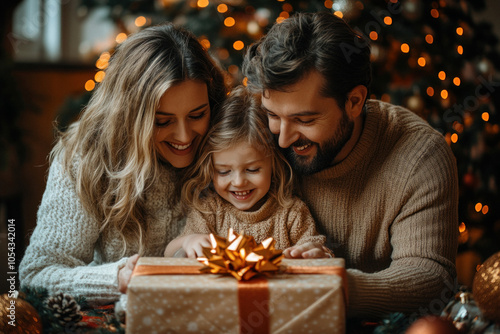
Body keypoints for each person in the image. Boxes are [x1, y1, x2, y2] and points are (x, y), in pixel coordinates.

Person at [242, 11, 458, 319]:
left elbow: (430, 277)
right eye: (274, 115)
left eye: (305, 120)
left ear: (355, 101)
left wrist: (328, 285)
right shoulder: (256, 134)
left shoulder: (419, 155)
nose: (283, 139)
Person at [19, 23, 227, 305]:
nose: (184, 136)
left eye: (197, 115)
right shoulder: (87, 158)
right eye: (162, 121)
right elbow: (37, 275)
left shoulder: (226, 144)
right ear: (130, 115)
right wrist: (117, 279)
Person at [164, 86, 330, 259]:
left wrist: (317, 254)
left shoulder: (292, 213)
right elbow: (169, 253)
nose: (238, 182)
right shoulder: (209, 211)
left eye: (252, 169)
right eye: (223, 171)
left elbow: (318, 251)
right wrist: (187, 242)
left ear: (273, 163)